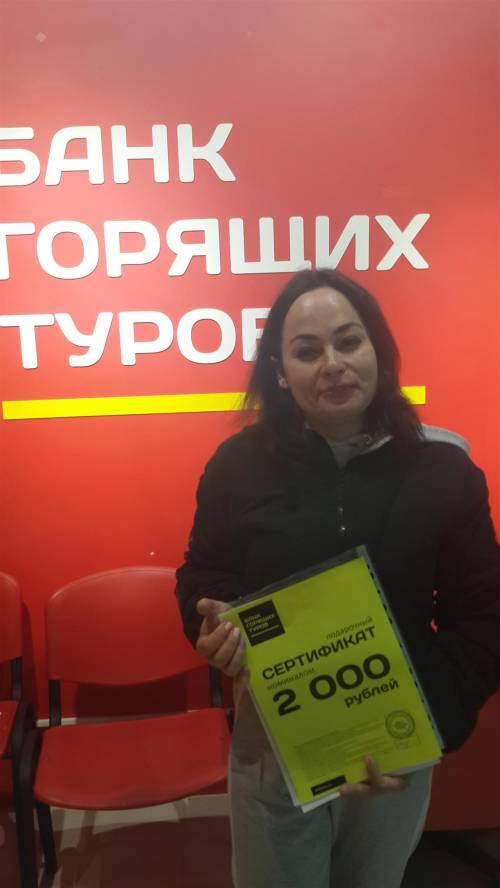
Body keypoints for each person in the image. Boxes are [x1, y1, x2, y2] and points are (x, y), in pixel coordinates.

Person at [176, 268, 500, 888]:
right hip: (274, 744)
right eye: (307, 351)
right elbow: (203, 570)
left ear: (378, 351)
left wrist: (427, 720)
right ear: (280, 372)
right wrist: (212, 623)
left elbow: (484, 614)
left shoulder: (444, 467)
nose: (332, 364)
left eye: (349, 342)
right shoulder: (237, 465)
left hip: (395, 746)